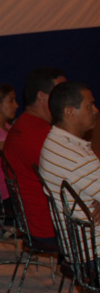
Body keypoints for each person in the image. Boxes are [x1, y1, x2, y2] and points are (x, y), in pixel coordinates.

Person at [3, 67, 66, 246]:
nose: (66, 98)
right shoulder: (41, 136)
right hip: (49, 227)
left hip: (33, 222)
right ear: (42, 97)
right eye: (60, 92)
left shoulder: (24, 125)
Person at [38, 81, 100, 255]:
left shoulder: (56, 141)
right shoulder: (74, 156)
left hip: (81, 243)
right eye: (89, 106)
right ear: (70, 112)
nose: (95, 111)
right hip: (93, 250)